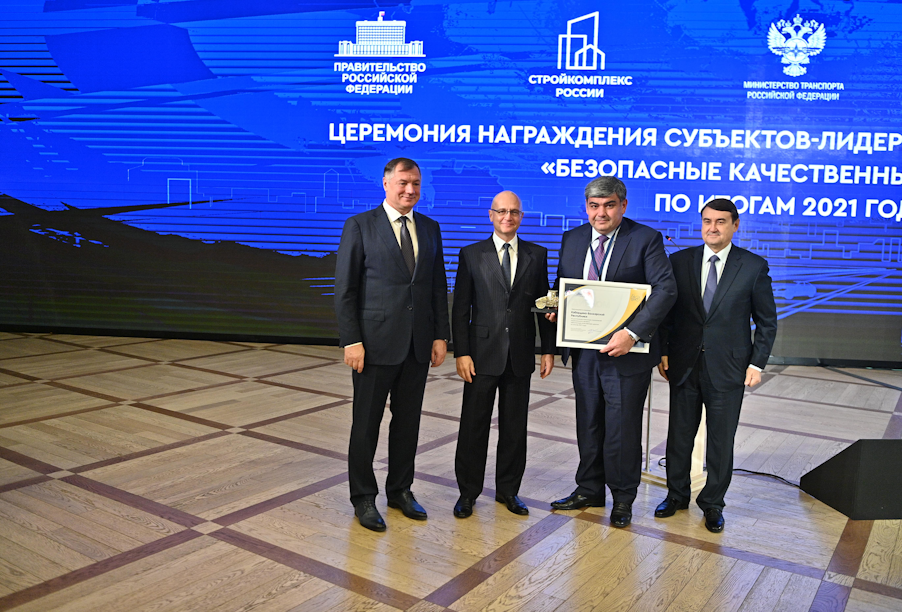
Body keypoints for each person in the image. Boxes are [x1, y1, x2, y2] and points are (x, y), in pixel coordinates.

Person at [548, 176, 676, 528]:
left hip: (627, 354)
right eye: (594, 206)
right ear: (586, 207)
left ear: (623, 205)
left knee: (621, 428)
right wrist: (558, 308)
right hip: (585, 351)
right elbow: (565, 286)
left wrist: (632, 334)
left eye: (608, 205)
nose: (600, 213)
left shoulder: (645, 238)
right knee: (588, 422)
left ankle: (622, 498)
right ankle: (589, 489)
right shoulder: (572, 238)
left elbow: (665, 290)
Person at [334, 157, 450, 532]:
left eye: (415, 183)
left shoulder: (430, 228)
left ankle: (400, 490)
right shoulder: (360, 225)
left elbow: (436, 286)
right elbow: (346, 289)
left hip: (417, 345)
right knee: (365, 425)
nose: (409, 190)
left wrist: (440, 334)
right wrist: (352, 340)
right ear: (386, 184)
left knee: (408, 424)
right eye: (402, 183)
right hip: (373, 345)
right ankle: (363, 498)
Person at [655, 198, 777, 533]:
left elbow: (767, 322)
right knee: (679, 435)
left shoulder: (753, 266)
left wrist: (757, 364)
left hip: (729, 367)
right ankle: (676, 495)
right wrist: (663, 352)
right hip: (684, 364)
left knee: (721, 441)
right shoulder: (679, 261)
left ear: (735, 225)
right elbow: (666, 313)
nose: (713, 228)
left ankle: (712, 503)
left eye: (721, 222)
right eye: (707, 221)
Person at [451, 191, 555, 519]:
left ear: (521, 216)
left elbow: (544, 306)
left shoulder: (538, 254)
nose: (507, 217)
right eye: (501, 211)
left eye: (513, 212)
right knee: (473, 427)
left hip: (520, 355)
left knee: (514, 428)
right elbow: (460, 308)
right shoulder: (471, 254)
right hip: (481, 355)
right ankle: (467, 493)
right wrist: (462, 352)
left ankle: (509, 491)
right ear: (491, 215)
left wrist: (548, 349)